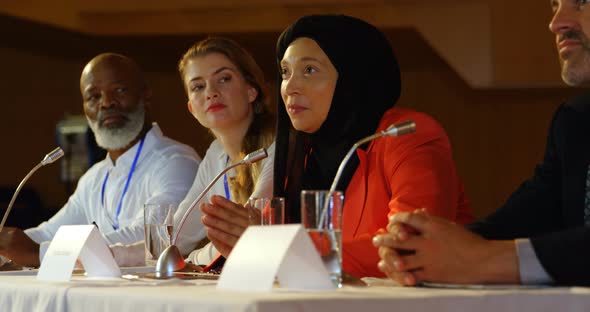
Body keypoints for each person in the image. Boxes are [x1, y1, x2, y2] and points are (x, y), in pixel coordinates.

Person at [202, 14, 473, 277]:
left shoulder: (404, 136)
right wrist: (238, 243)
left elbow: (410, 244)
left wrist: (277, 247)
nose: (290, 86)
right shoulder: (300, 156)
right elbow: (263, 242)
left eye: (309, 70)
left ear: (352, 78)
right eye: (285, 72)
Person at [374, 0, 590, 286]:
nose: (556, 23)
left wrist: (485, 259)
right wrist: (424, 250)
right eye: (554, 4)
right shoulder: (576, 120)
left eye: (582, 2)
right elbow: (531, 215)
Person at [0, 53, 200, 267]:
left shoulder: (176, 161)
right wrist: (5, 250)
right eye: (94, 96)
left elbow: (152, 237)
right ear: (85, 108)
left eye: (120, 90)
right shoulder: (94, 177)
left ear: (146, 96)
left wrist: (43, 253)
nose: (106, 103)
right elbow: (49, 232)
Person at [156, 37, 275, 266]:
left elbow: (246, 234)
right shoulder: (215, 154)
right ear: (192, 108)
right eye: (198, 87)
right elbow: (174, 236)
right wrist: (113, 253)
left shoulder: (277, 146)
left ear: (251, 91)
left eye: (223, 79)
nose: (211, 92)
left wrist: (193, 259)